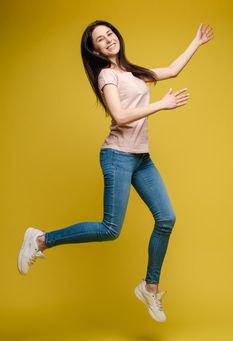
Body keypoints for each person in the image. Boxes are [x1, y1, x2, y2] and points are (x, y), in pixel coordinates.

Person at [17, 20, 214, 322]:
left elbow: (172, 70)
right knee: (111, 229)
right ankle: (41, 239)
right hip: (117, 157)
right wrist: (161, 105)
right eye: (100, 39)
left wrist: (196, 42)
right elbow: (120, 117)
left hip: (141, 158)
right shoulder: (107, 75)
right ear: (95, 50)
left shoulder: (132, 73)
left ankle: (150, 287)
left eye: (109, 33)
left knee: (166, 218)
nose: (108, 39)